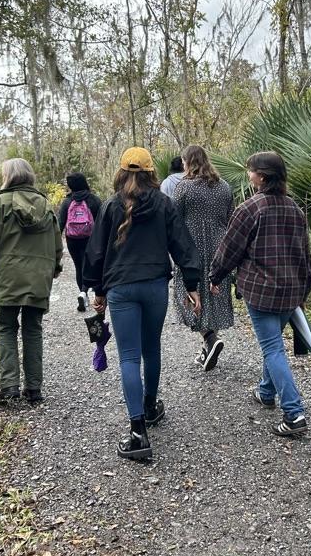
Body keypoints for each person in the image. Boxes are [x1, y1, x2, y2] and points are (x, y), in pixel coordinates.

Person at [84, 147, 201, 461]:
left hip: (121, 289)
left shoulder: (110, 206)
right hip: (154, 287)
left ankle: (138, 433)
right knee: (152, 349)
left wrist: (97, 291)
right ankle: (151, 406)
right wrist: (192, 283)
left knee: (129, 357)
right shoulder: (163, 204)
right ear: (151, 172)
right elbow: (182, 243)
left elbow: (95, 252)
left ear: (121, 171)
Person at [210, 151, 311, 438]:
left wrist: (215, 276)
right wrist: (304, 290)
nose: (249, 174)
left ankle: (294, 413)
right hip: (290, 291)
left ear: (263, 176)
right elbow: (305, 256)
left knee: (272, 348)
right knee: (274, 343)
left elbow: (230, 248)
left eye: (251, 170)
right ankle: (266, 392)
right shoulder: (295, 209)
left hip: (261, 291)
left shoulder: (250, 209)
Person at [0, 158, 63, 405]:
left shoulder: (0, 202)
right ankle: (34, 389)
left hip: (10, 276)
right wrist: (55, 267)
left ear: (8, 176)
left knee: (6, 327)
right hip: (38, 278)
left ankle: (9, 385)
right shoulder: (45, 204)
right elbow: (57, 242)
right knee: (33, 329)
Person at [172, 144, 235, 371]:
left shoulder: (184, 188)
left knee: (188, 295)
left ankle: (209, 338)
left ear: (188, 161)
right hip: (220, 249)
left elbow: (175, 220)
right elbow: (231, 218)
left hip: (192, 248)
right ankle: (209, 347)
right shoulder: (225, 187)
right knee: (212, 295)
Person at [57, 172, 102, 312]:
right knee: (91, 265)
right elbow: (102, 222)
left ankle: (83, 294)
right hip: (91, 239)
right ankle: (91, 293)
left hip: (72, 239)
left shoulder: (67, 202)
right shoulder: (94, 200)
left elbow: (60, 224)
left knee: (78, 266)